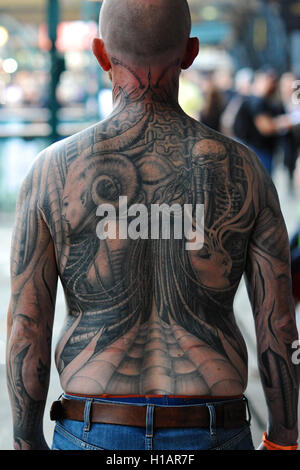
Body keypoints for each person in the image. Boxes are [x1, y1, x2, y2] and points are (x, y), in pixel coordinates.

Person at [6, 0, 299, 451]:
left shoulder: (53, 172)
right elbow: (279, 324)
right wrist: (284, 436)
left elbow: (27, 327)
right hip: (213, 428)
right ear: (191, 52)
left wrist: (26, 440)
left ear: (101, 53)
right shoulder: (244, 171)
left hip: (92, 424)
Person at [233, 68, 293, 175]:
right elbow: (265, 127)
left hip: (263, 152)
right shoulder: (256, 101)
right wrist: (287, 121)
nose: (272, 85)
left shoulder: (267, 101)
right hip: (257, 151)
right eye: (268, 80)